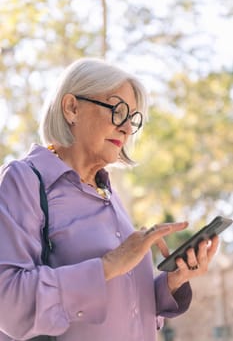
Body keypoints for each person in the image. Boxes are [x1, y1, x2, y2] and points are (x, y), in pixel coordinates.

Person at [0, 58, 218, 341]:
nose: (127, 128)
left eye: (133, 119)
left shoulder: (109, 193)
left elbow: (124, 305)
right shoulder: (24, 180)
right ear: (72, 108)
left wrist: (172, 283)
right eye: (118, 111)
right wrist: (109, 264)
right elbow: (8, 305)